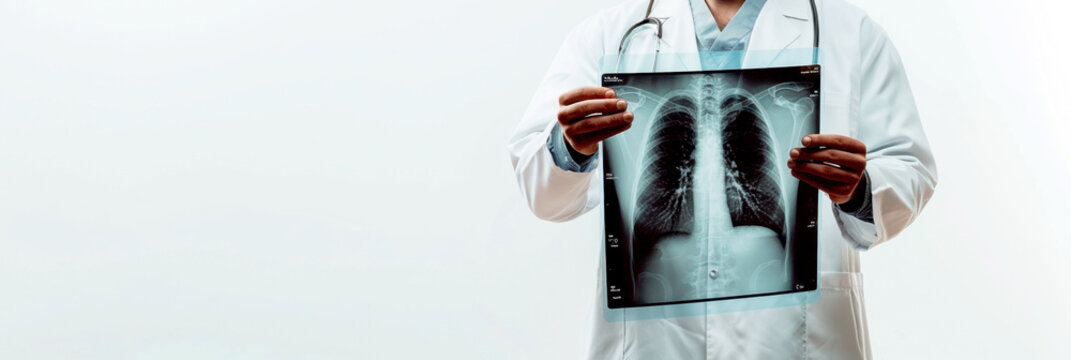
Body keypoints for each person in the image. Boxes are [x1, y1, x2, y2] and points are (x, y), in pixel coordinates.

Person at [507, 0, 937, 358]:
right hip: (655, 342)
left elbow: (910, 168)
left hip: (789, 340)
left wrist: (859, 190)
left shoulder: (851, 33)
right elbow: (540, 189)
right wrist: (569, 147)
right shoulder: (607, 35)